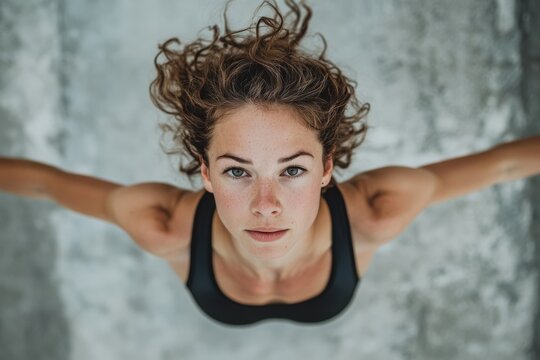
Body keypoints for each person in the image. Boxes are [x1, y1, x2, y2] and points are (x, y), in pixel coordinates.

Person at [0, 0, 539, 326]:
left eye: (293, 169)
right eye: (237, 171)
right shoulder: (163, 225)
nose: (266, 205)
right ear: (205, 173)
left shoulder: (376, 211)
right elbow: (47, 185)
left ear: (327, 167)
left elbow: (502, 167)